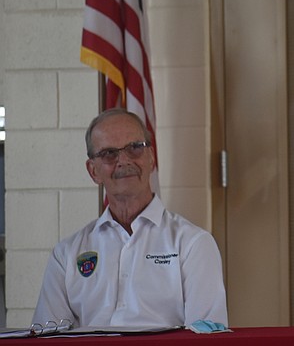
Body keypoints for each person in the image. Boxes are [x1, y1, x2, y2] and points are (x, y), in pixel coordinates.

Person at [32, 108, 228, 329]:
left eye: (134, 148)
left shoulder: (193, 244)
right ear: (93, 171)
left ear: (151, 158)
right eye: (108, 153)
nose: (123, 161)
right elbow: (47, 337)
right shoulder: (66, 254)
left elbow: (206, 338)